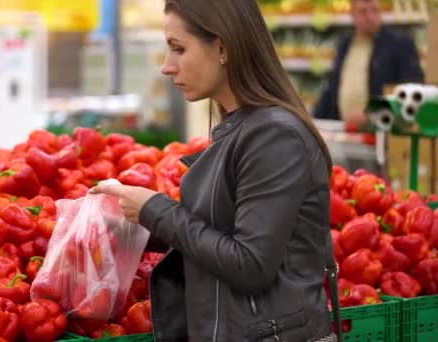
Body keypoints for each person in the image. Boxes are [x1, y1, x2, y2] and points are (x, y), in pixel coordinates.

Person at [91, 0, 338, 341]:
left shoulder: (274, 135)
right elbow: (219, 235)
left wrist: (156, 209)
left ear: (222, 48)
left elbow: (250, 264)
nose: (166, 66)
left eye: (178, 49)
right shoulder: (242, 128)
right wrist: (132, 229)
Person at [313, 0, 424, 125]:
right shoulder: (345, 45)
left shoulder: (400, 44)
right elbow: (332, 88)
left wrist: (372, 114)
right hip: (343, 130)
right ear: (352, 13)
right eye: (363, 11)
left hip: (381, 133)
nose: (370, 17)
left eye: (374, 10)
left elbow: (413, 92)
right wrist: (313, 121)